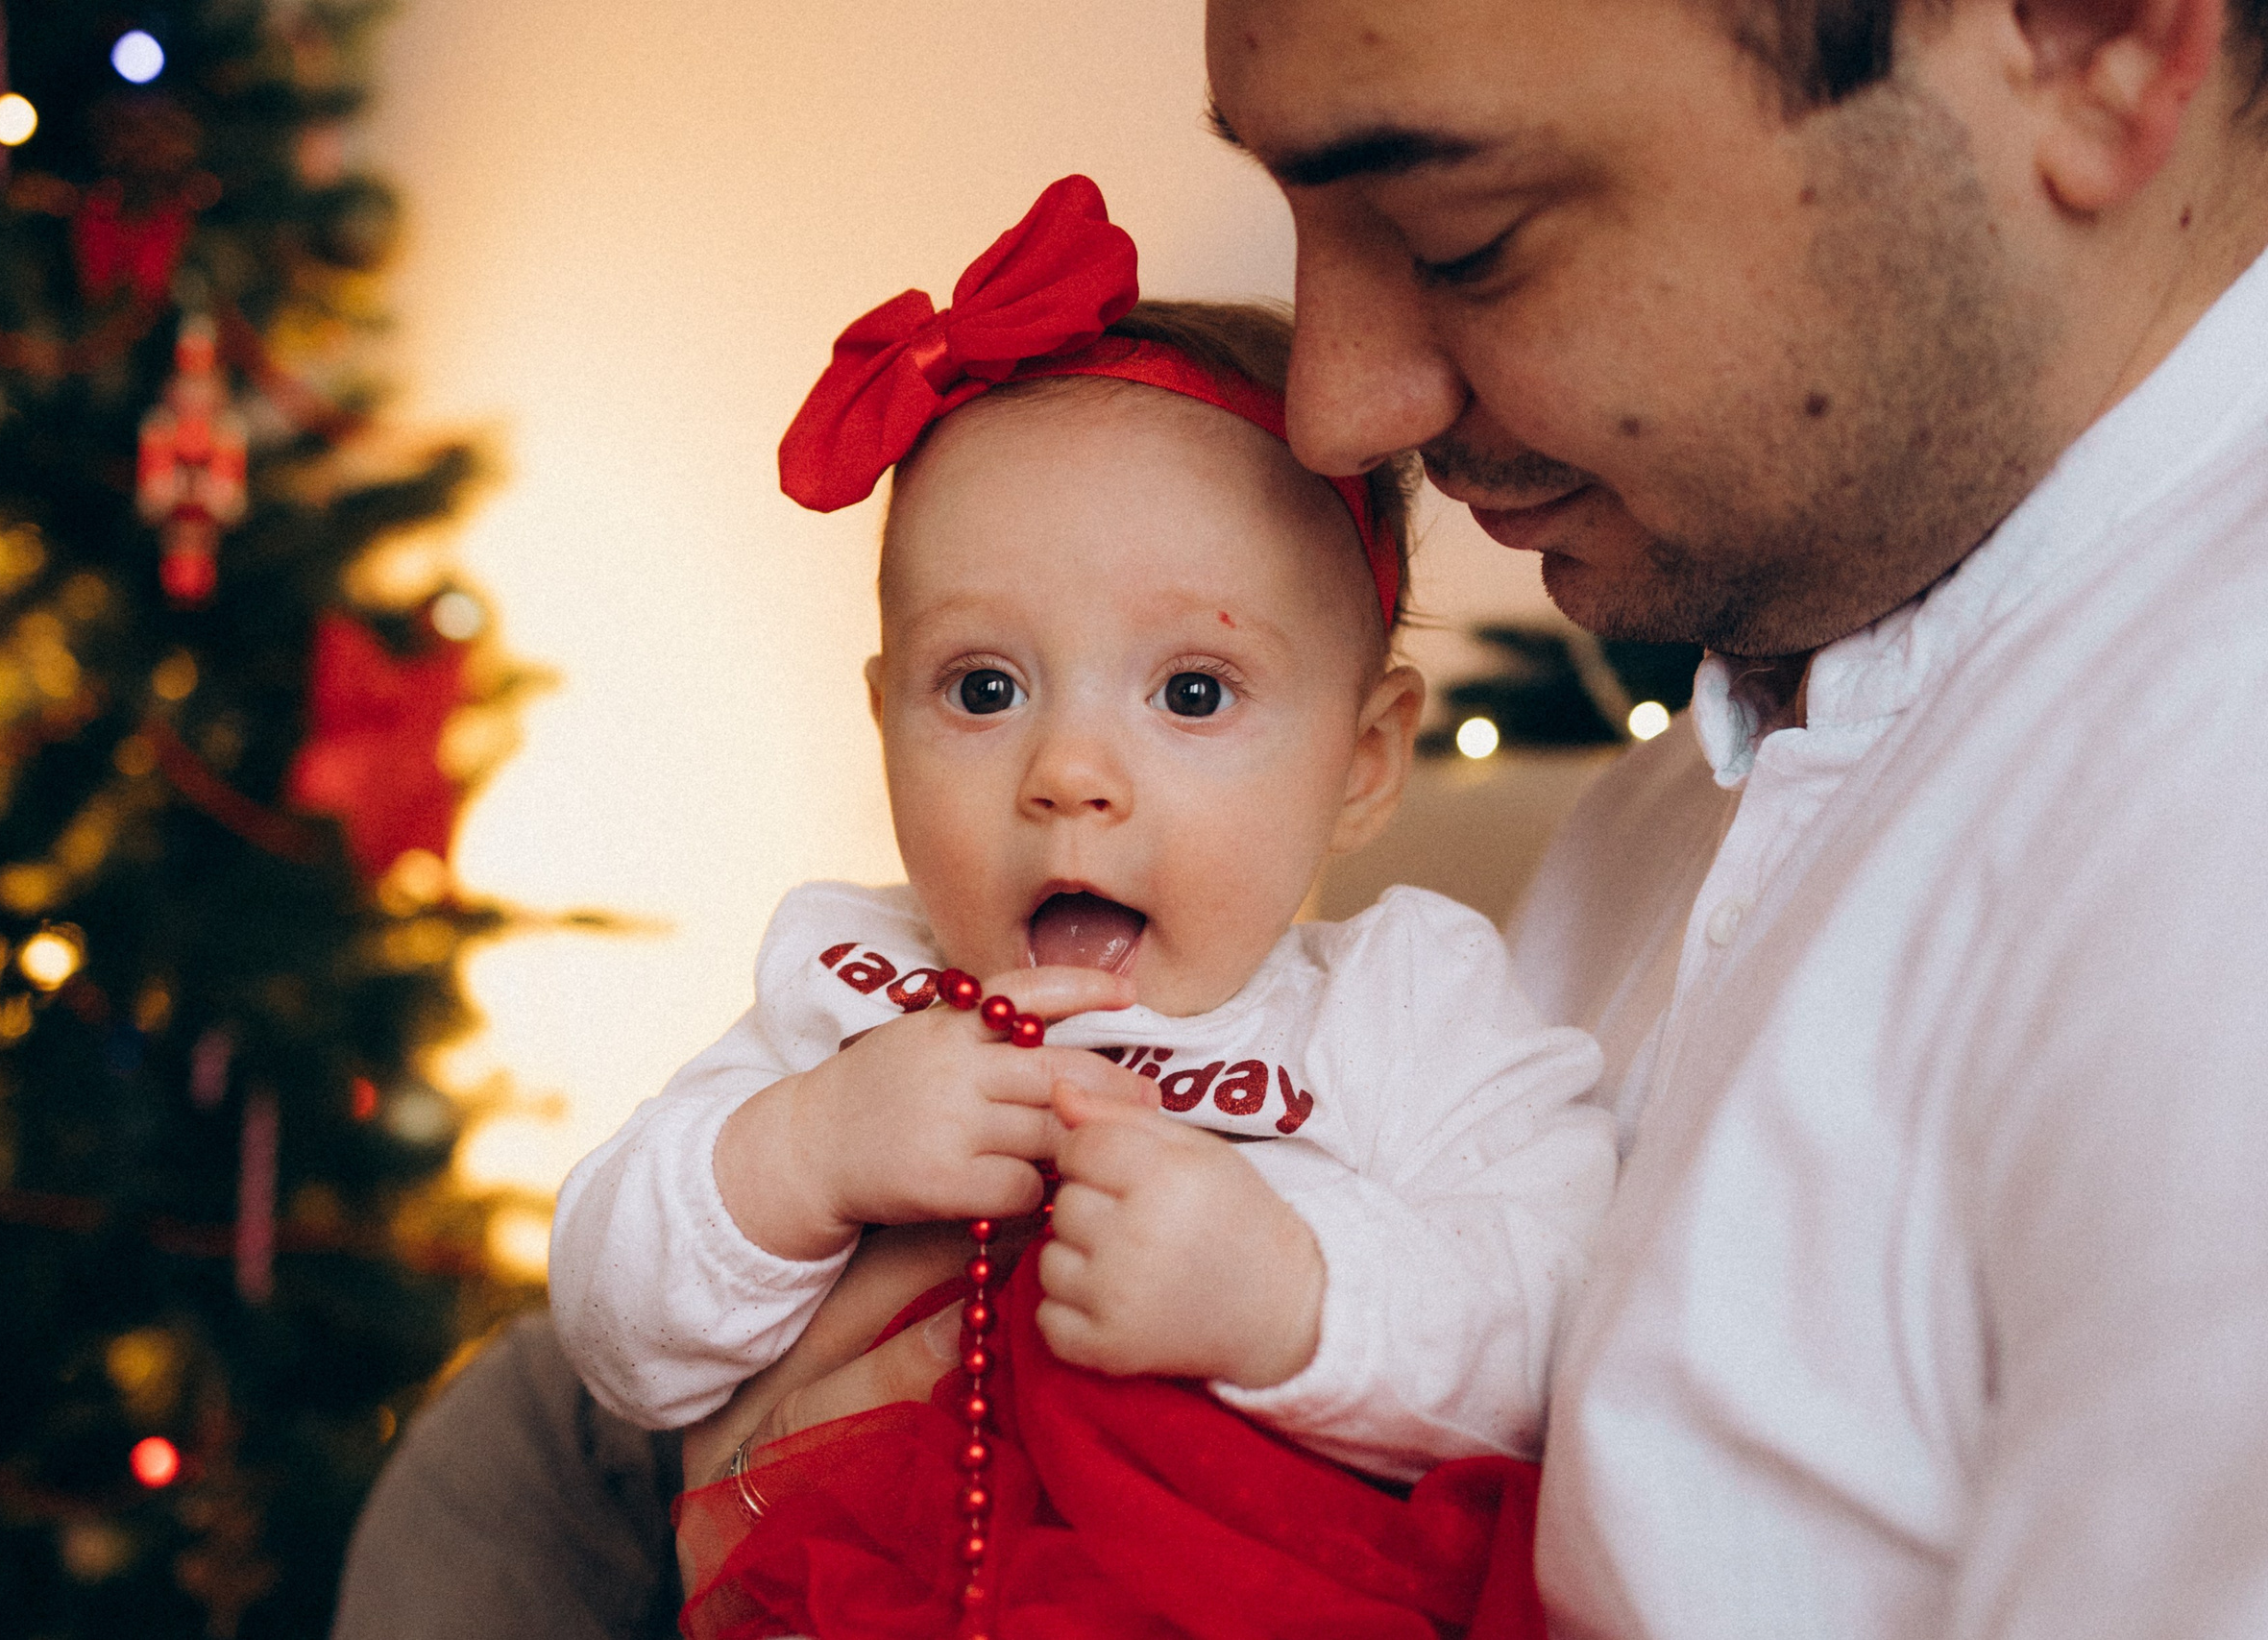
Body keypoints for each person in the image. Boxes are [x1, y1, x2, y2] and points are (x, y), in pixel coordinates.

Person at [1202, 0, 2268, 1636]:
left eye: (1461, 236)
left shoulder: (2214, 816)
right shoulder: (1672, 805)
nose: (1337, 407)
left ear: (2090, 42)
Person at [547, 175, 1612, 1638]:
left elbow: (1561, 1325)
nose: (1069, 774)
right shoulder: (854, 990)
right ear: (885, 722)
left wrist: (1290, 1296)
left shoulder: (1402, 1007)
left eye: (1192, 691)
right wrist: (806, 1155)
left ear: (1363, 762)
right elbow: (617, 1341)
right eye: (982, 689)